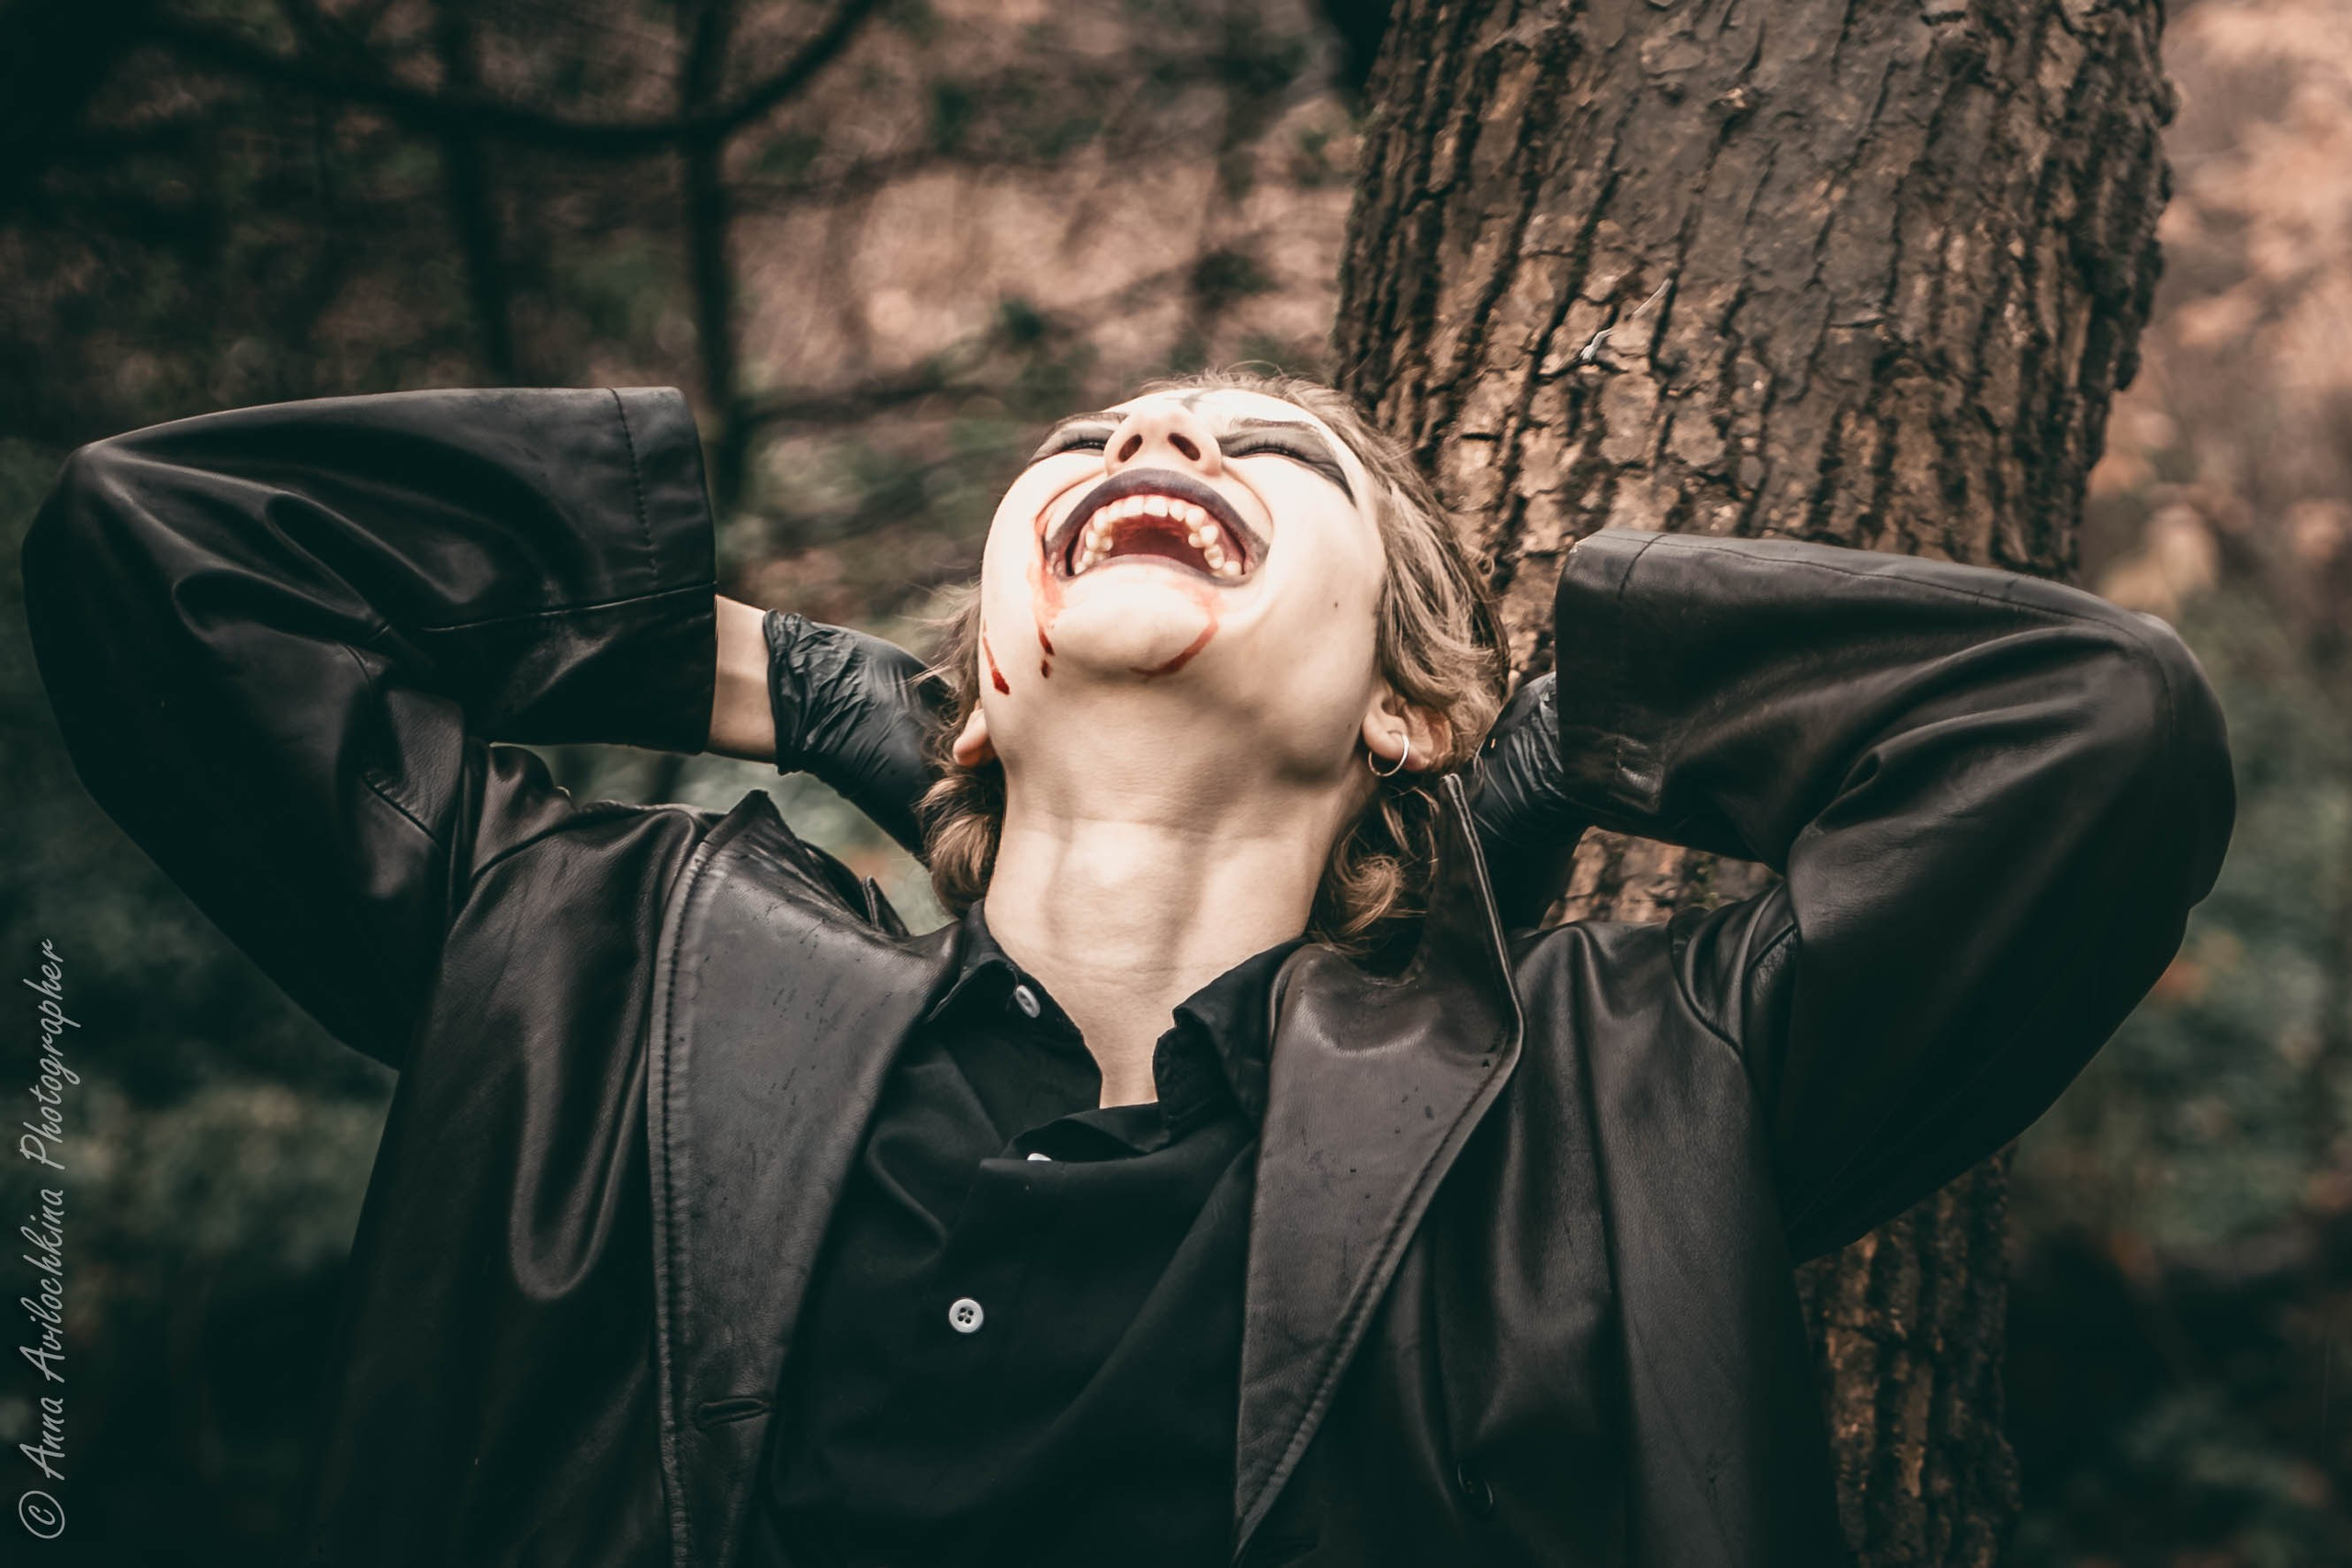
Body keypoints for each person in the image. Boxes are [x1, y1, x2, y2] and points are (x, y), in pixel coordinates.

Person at [22, 370, 2233, 1568]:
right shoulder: (606, 974)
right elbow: (163, 550)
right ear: (983, 668)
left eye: (1260, 448)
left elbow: (2087, 737)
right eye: (1080, 447)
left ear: (1402, 698)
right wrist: (803, 684)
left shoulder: (1617, 1096)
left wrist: (1541, 758)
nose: (1153, 442)